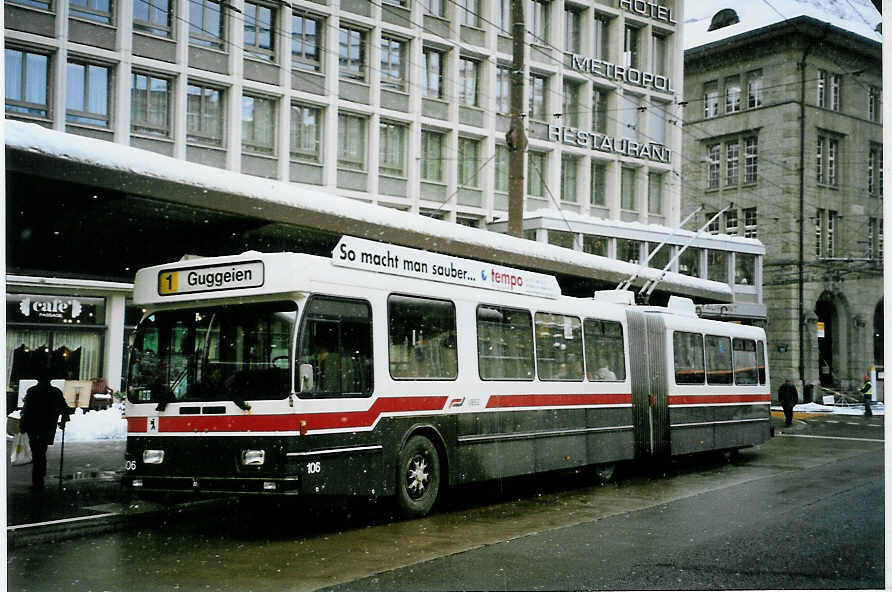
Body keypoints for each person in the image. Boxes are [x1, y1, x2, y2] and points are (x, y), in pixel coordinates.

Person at [19, 368, 71, 490]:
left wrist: (22, 425)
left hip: (34, 427)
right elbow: (65, 409)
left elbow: (26, 410)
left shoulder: (33, 391)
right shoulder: (55, 392)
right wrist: (63, 420)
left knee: (37, 453)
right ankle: (39, 478)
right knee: (40, 452)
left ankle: (38, 480)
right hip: (47, 427)